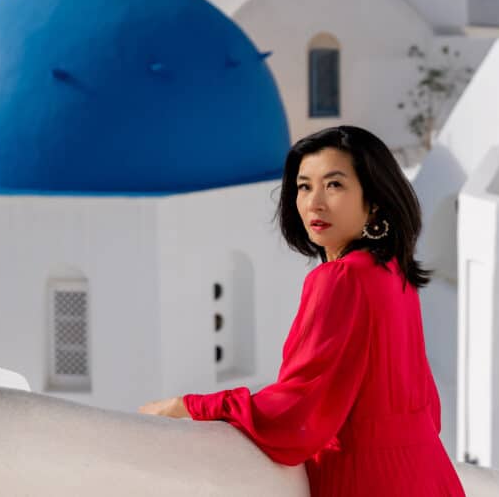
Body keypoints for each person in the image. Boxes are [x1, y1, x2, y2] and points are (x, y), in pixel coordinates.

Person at [138, 126, 465, 496]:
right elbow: (428, 408)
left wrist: (189, 405)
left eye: (334, 185)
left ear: (374, 199)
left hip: (370, 479)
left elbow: (296, 411)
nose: (315, 203)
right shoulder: (392, 271)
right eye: (304, 186)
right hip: (429, 473)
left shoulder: (340, 279)